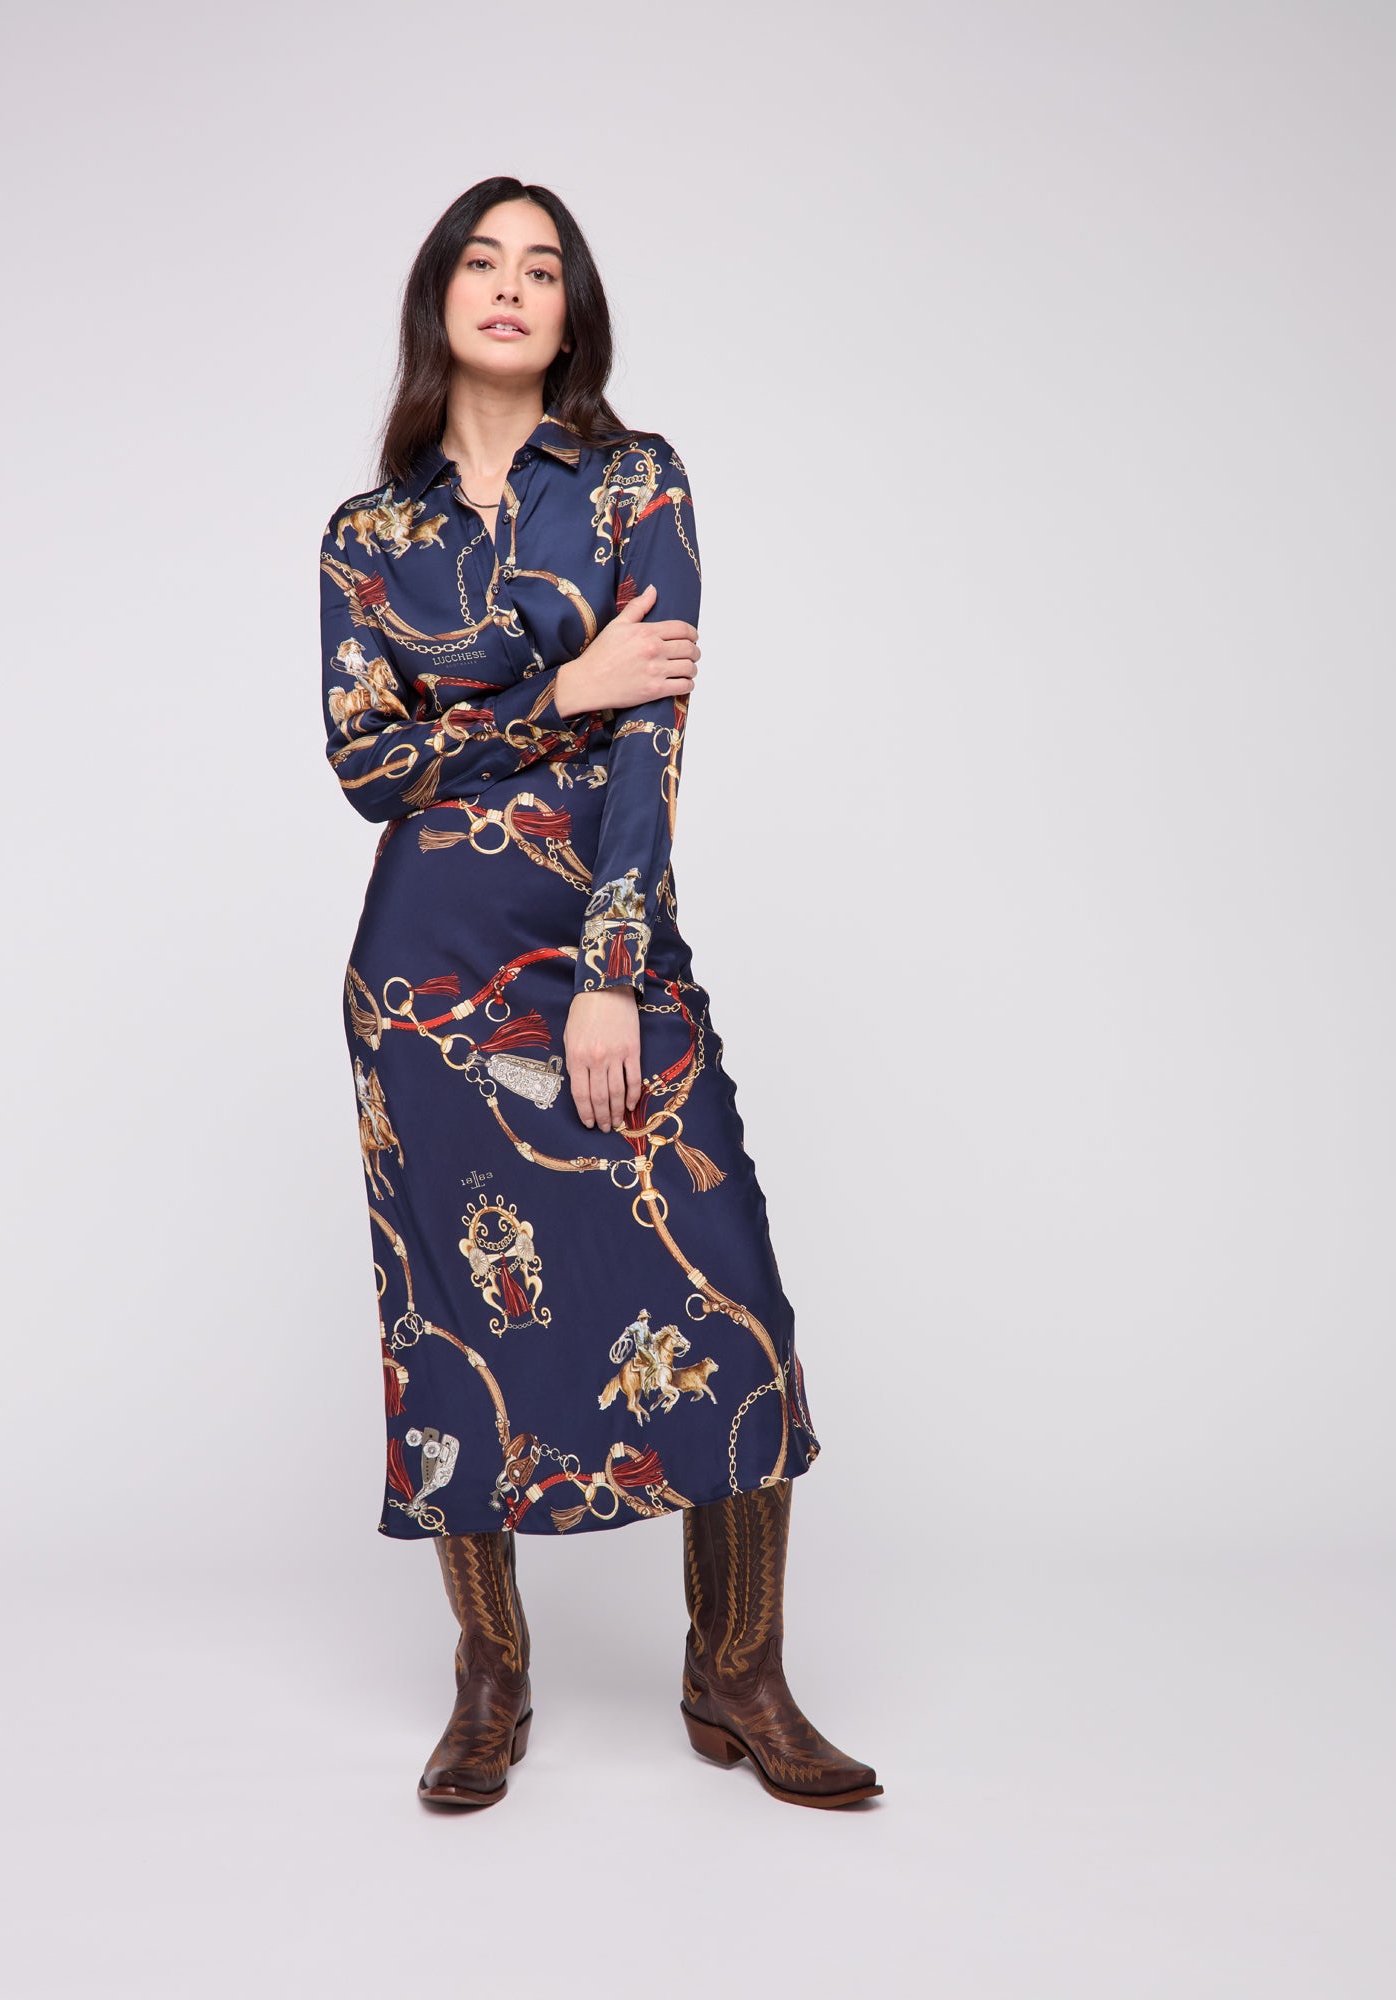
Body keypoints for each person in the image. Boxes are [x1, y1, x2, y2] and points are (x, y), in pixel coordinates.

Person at [319, 176, 881, 1812]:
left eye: (542, 267)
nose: (511, 285)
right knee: (451, 1324)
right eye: (482, 262)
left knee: (731, 1297)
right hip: (424, 976)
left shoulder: (639, 483)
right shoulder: (369, 538)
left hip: (598, 944)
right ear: (440, 298)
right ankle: (489, 1679)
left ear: (574, 312)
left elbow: (655, 749)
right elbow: (367, 768)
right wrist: (563, 681)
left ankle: (739, 1674)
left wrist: (611, 974)